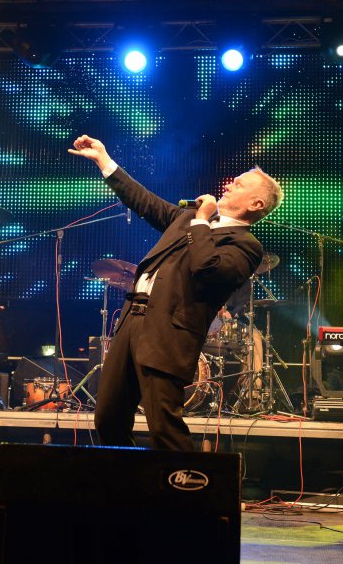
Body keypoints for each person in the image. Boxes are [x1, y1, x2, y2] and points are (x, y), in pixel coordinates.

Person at [69, 134, 283, 451]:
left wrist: (201, 221)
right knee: (108, 418)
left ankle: (186, 482)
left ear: (256, 204)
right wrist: (104, 159)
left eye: (239, 185)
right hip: (133, 320)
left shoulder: (245, 245)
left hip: (169, 334)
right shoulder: (186, 220)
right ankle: (127, 481)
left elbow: (206, 267)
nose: (228, 186)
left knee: (164, 426)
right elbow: (144, 201)